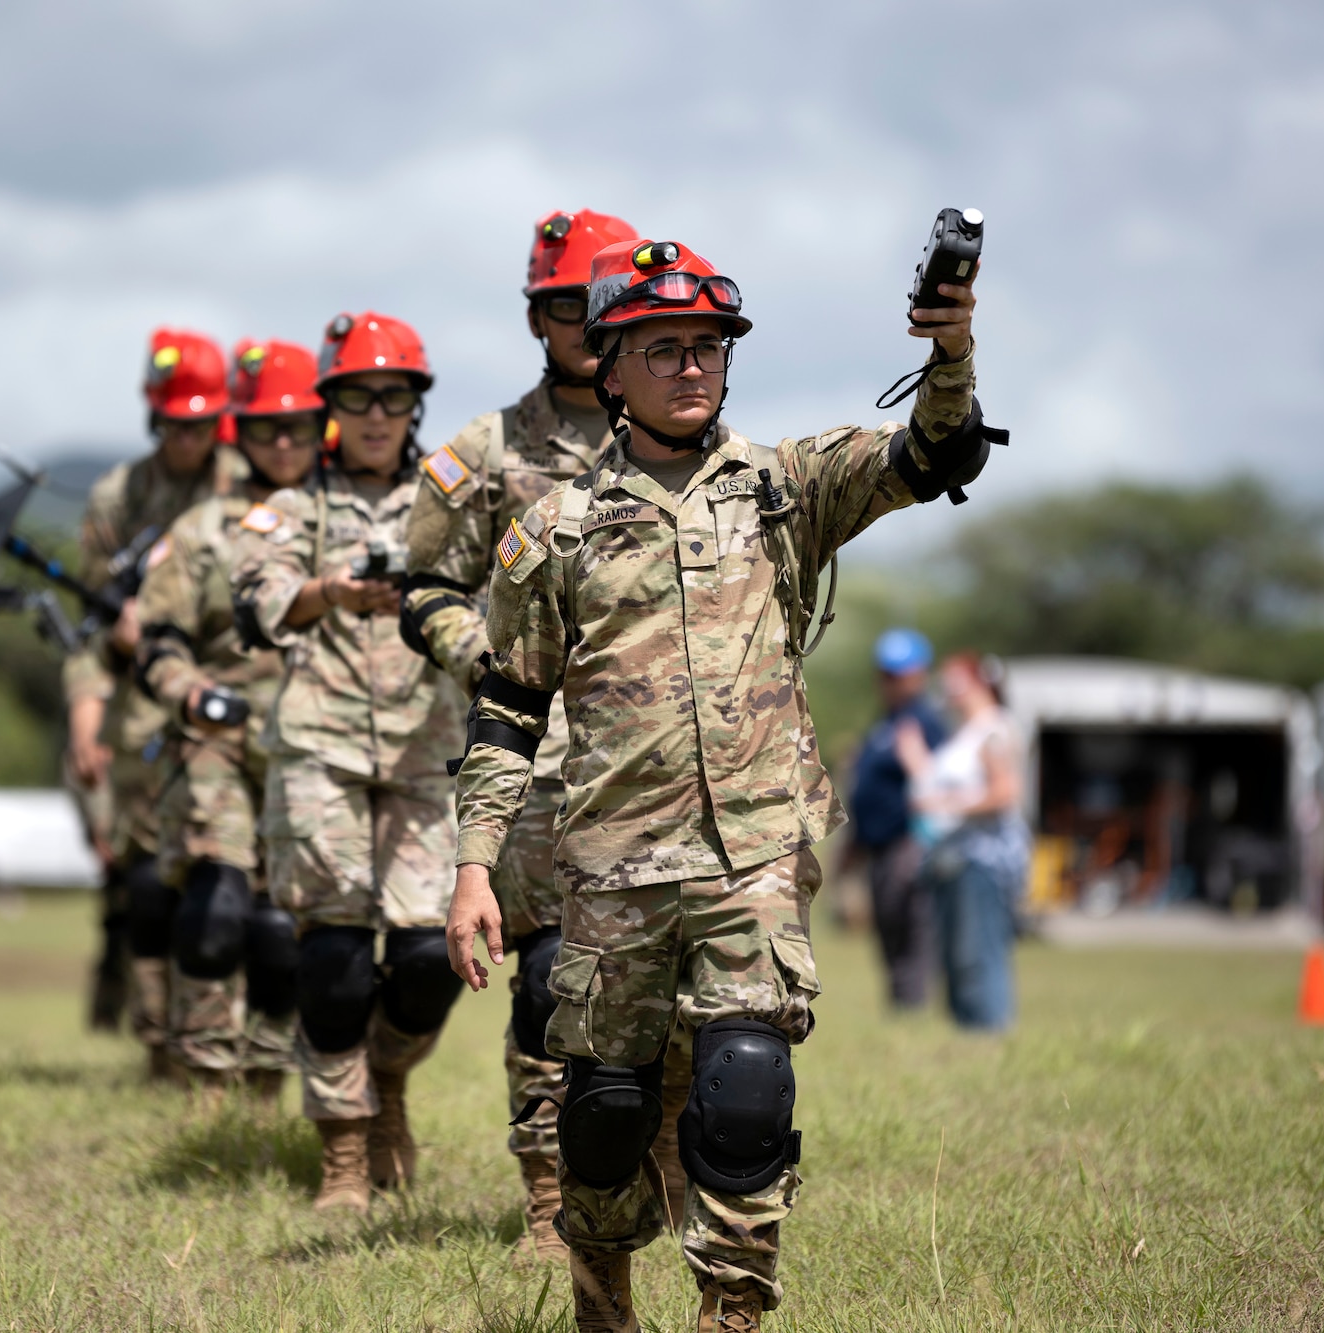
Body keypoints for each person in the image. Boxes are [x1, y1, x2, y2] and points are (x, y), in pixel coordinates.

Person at [445, 234, 995, 1330]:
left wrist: (952, 353)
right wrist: (471, 869)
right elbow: (506, 712)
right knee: (602, 1116)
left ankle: (731, 1316)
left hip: (751, 854)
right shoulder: (549, 532)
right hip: (608, 867)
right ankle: (602, 1306)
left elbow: (937, 455)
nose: (690, 367)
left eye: (705, 347)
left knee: (745, 1091)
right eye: (661, 349)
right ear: (609, 365)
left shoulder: (784, 489)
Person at [404, 207, 670, 1263]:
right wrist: (493, 658)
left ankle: (668, 1173)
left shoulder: (675, 435)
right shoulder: (484, 452)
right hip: (536, 762)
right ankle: (549, 1196)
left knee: (659, 982)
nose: (581, 323)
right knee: (553, 973)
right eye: (564, 307)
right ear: (537, 319)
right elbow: (422, 587)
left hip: (657, 756)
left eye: (596, 306)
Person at [233, 312, 464, 1213]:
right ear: (331, 406)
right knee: (330, 955)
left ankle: (387, 1078)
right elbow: (256, 603)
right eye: (358, 397)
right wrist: (326, 591)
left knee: (427, 956)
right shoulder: (290, 505)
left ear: (414, 405)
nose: (376, 414)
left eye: (394, 397)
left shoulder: (453, 493)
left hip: (425, 747)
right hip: (320, 747)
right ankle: (341, 1150)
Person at [131, 338, 322, 1099]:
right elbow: (157, 641)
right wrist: (187, 691)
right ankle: (205, 1085)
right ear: (239, 430)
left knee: (284, 926)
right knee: (215, 908)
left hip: (312, 744)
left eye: (299, 428)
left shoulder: (340, 521)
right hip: (217, 736)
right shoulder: (204, 529)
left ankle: (266, 1077)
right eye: (268, 429)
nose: (284, 443)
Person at [67, 327, 237, 1076]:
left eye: (202, 422)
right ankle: (157, 1043)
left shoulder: (248, 482)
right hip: (139, 712)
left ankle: (222, 1048)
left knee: (222, 886)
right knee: (143, 883)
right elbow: (88, 622)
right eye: (175, 423)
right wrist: (85, 712)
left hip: (230, 702)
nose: (188, 437)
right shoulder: (118, 496)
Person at [898, 652, 1028, 1031]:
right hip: (952, 860)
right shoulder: (963, 733)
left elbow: (1005, 793)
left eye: (955, 681)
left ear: (980, 682)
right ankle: (965, 1035)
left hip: (981, 862)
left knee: (977, 953)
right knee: (955, 956)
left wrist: (944, 803)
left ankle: (989, 1032)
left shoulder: (993, 730)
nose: (947, 690)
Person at [841, 628, 948, 1009]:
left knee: (913, 928)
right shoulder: (885, 722)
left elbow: (939, 783)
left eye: (899, 674)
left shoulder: (924, 723)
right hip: (879, 847)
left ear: (920, 675)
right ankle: (901, 1002)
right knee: (887, 928)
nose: (891, 682)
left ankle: (913, 1006)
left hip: (909, 844)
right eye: (885, 673)